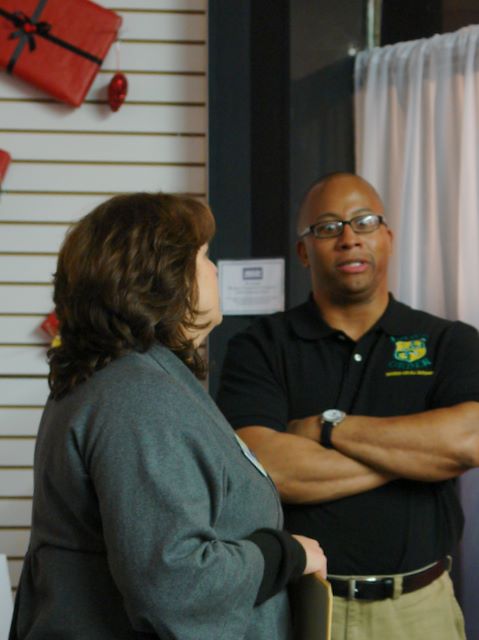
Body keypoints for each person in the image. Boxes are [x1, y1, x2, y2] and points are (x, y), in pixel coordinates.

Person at [9, 192, 327, 640]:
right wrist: (285, 555)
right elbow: (175, 583)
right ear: (164, 277)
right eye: (204, 257)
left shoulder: (126, 379)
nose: (214, 270)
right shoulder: (136, 395)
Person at [216, 172, 479, 640]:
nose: (349, 238)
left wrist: (327, 428)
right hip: (301, 607)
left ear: (388, 238)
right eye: (328, 227)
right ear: (304, 251)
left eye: (364, 222)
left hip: (418, 611)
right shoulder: (260, 346)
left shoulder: (448, 341)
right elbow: (266, 469)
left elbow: (470, 440)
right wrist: (417, 458)